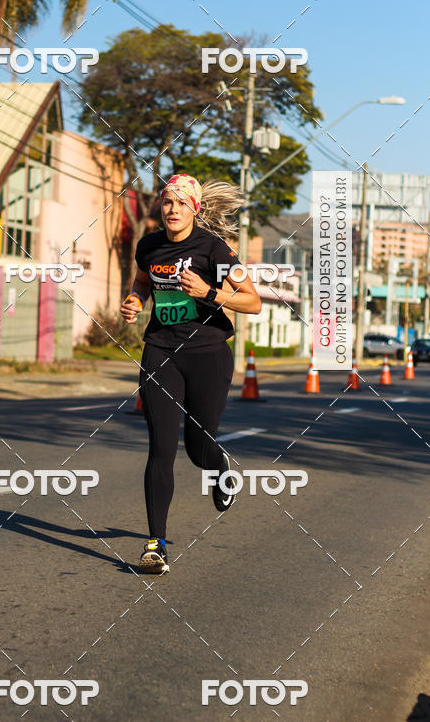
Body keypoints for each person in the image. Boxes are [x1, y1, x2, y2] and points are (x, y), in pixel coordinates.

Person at [120, 173, 262, 574]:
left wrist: (209, 293)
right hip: (160, 351)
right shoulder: (149, 246)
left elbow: (252, 303)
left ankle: (220, 469)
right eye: (168, 202)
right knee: (160, 448)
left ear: (195, 210)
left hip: (208, 354)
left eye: (182, 203)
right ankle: (156, 545)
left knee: (198, 448)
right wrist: (133, 301)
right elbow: (142, 282)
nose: (173, 210)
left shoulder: (214, 250)